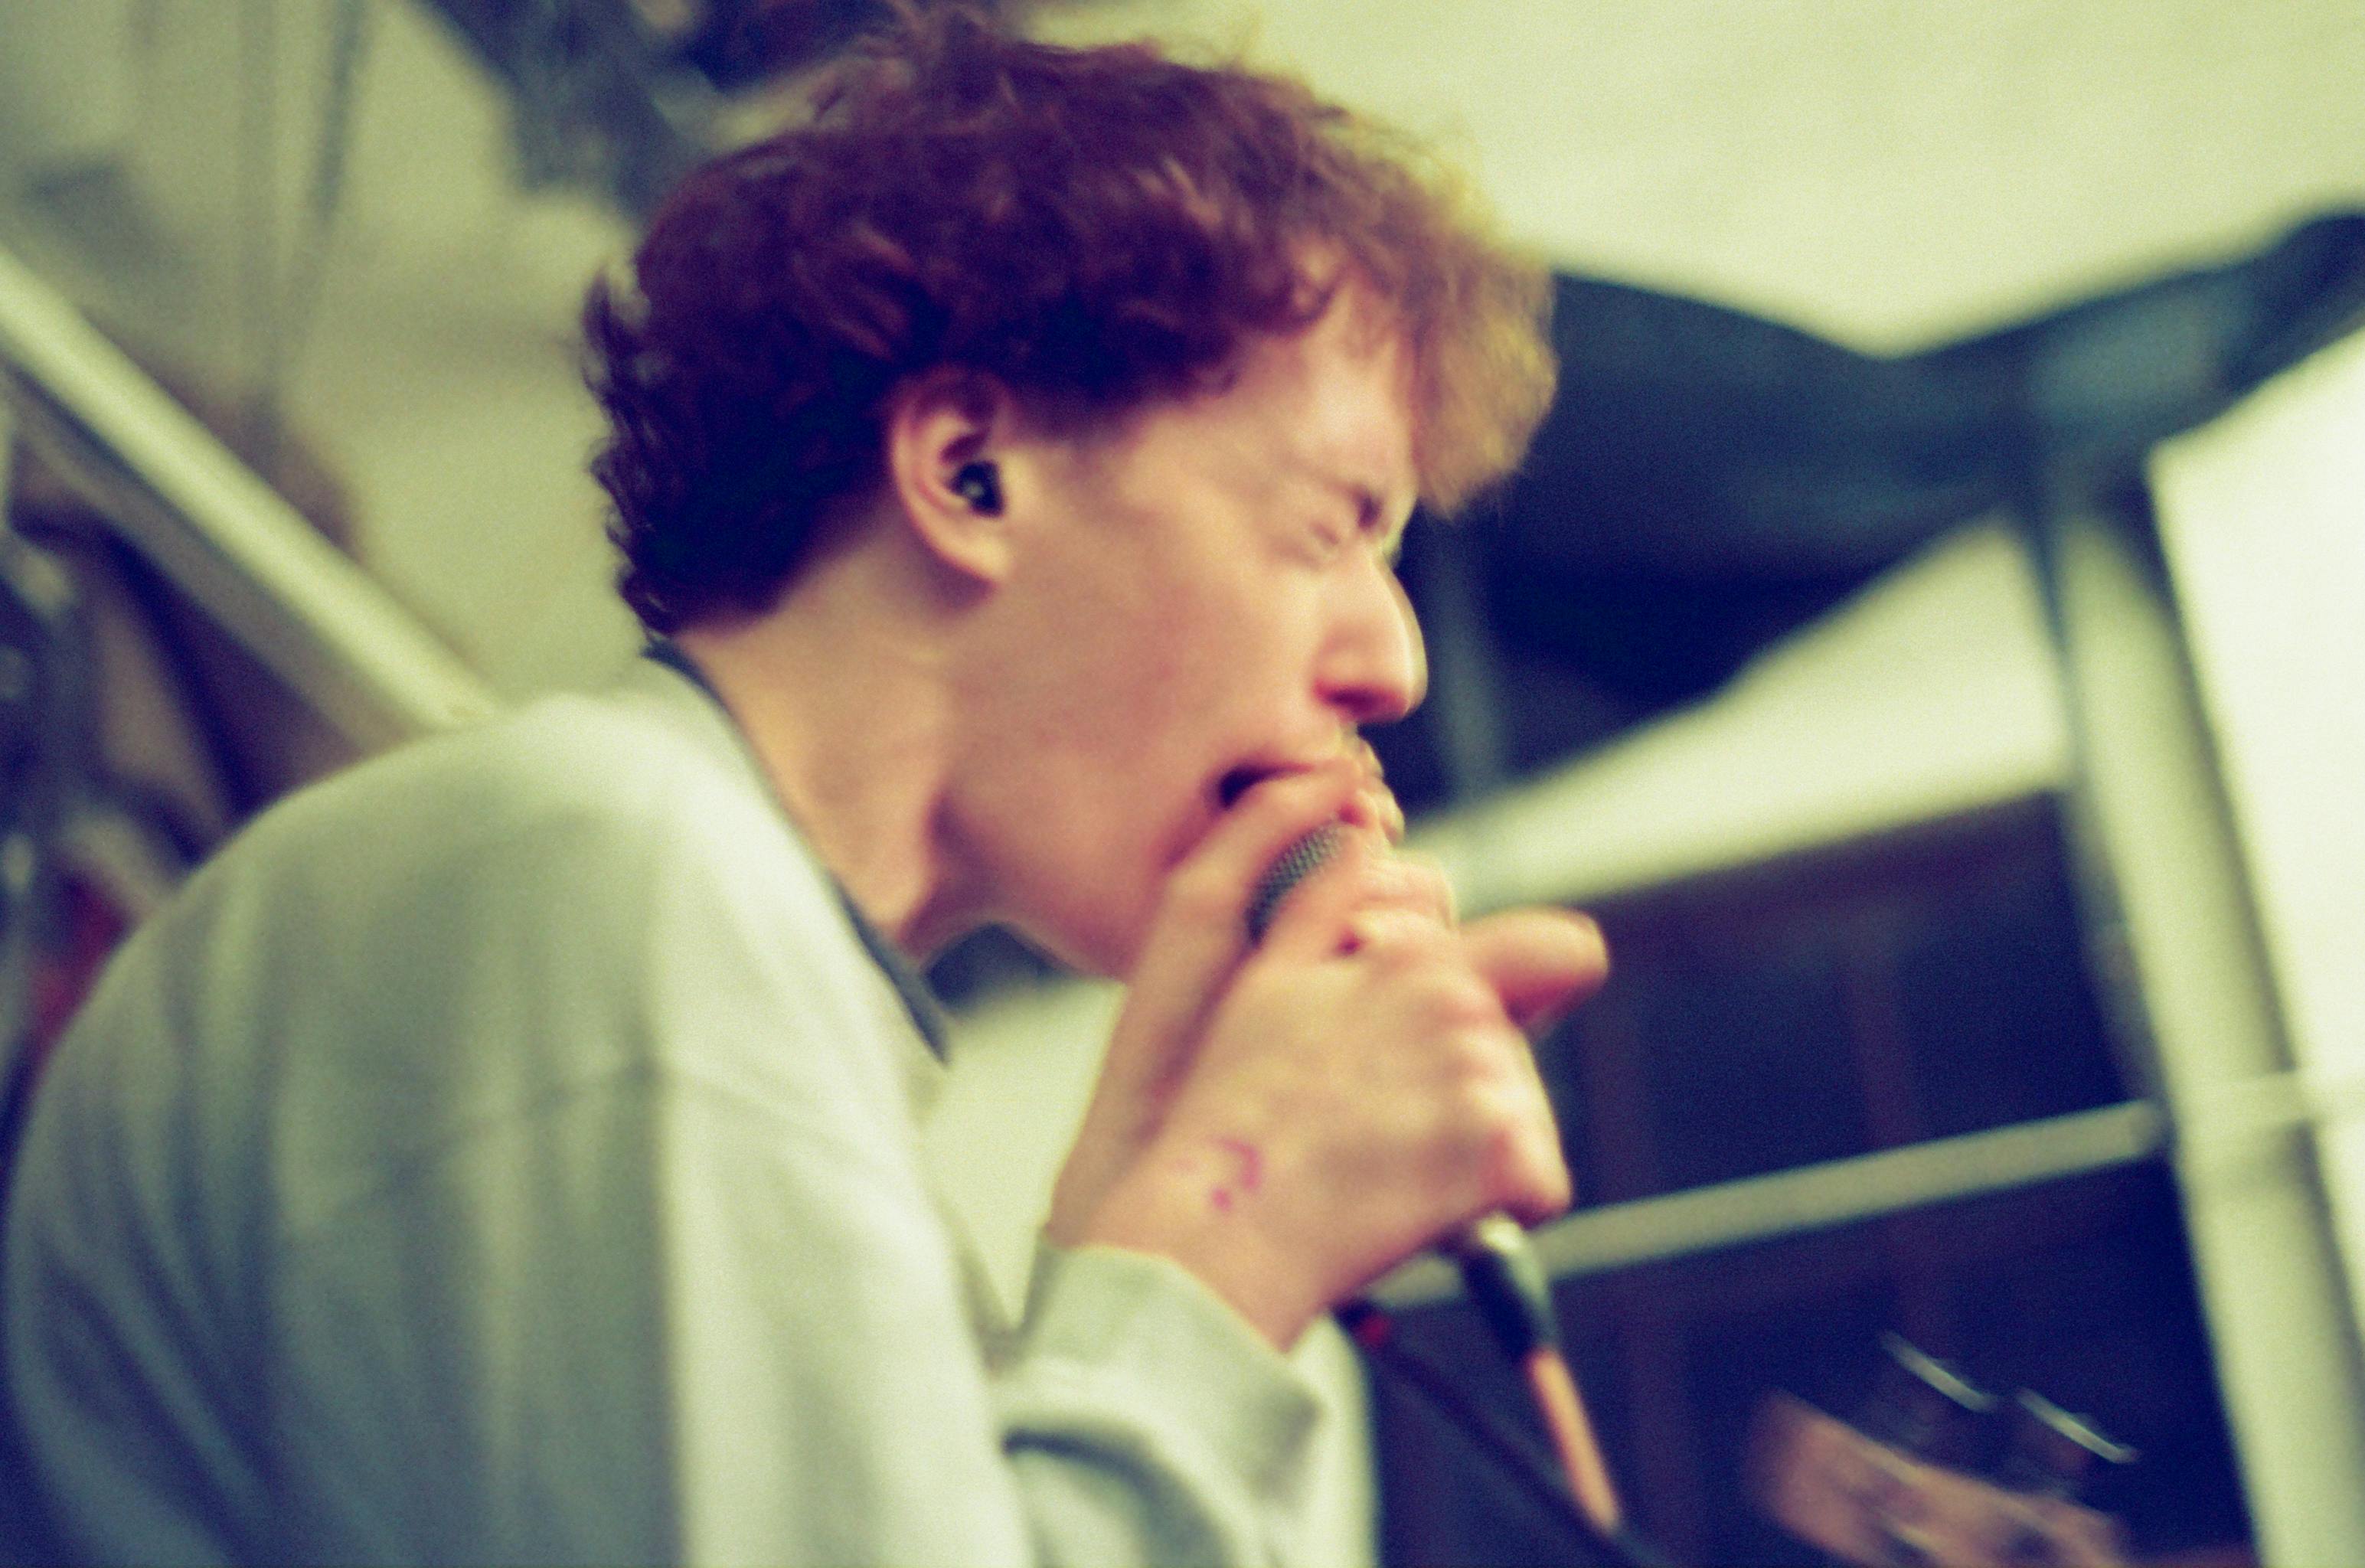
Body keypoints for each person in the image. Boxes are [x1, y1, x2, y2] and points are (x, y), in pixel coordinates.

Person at [2, 9, 1607, 1563]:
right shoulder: (611, 869)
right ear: (971, 470)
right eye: (1332, 527)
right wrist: (1229, 1245)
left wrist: (1157, 1198)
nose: (1393, 663)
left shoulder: (705, 948)